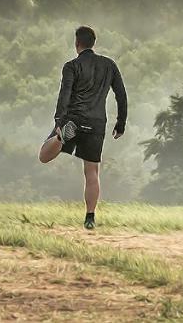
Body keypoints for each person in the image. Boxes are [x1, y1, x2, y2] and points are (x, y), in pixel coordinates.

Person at [39, 25, 128, 230]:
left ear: (77, 43)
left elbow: (65, 93)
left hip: (74, 119)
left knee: (44, 155)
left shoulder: (71, 66)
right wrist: (120, 123)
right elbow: (121, 95)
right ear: (93, 43)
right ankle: (90, 217)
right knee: (91, 172)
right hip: (97, 122)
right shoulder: (109, 65)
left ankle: (61, 139)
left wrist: (59, 121)